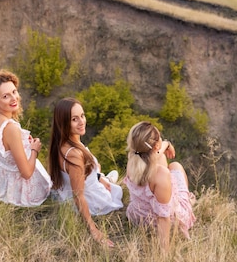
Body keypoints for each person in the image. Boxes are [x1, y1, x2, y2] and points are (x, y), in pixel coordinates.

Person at [48, 97, 123, 247]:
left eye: (82, 116)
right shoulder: (74, 154)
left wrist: (97, 177)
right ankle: (106, 179)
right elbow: (78, 195)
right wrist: (94, 230)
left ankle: (103, 178)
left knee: (101, 172)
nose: (81, 121)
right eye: (74, 119)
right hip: (92, 201)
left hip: (79, 188)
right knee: (117, 188)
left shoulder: (63, 143)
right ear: (64, 123)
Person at [0, 70, 51, 206]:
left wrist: (13, 150)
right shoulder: (11, 129)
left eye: (14, 92)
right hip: (20, 191)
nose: (14, 98)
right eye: (5, 96)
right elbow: (26, 173)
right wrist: (34, 150)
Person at [124, 121, 196, 251]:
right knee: (175, 166)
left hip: (139, 216)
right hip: (164, 222)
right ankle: (188, 201)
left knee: (162, 159)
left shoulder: (132, 158)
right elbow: (163, 217)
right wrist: (164, 254)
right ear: (156, 145)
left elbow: (156, 154)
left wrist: (166, 144)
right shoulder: (161, 174)